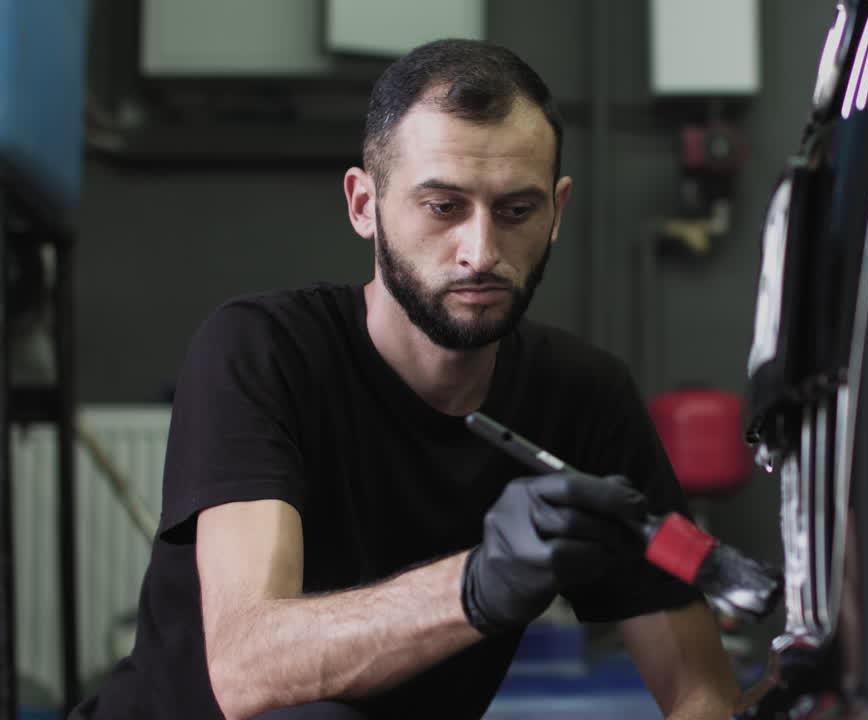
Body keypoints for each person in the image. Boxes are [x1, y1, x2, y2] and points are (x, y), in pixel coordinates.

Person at [71, 38, 740, 719]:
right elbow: (249, 668)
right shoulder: (264, 350)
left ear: (557, 212)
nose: (480, 252)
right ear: (365, 204)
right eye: (443, 207)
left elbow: (702, 691)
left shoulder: (585, 398)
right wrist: (478, 584)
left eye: (516, 211)